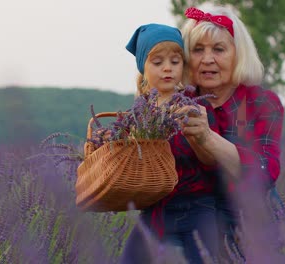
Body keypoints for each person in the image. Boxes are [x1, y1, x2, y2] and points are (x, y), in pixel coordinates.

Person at [178, 5, 285, 260]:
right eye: (197, 50)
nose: (207, 59)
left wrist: (208, 139)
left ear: (239, 55)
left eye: (219, 49)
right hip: (194, 221)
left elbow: (264, 172)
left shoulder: (262, 103)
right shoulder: (178, 101)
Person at [120, 23, 222, 263]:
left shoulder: (197, 106)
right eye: (158, 63)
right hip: (156, 209)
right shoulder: (138, 113)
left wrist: (199, 137)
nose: (168, 68)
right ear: (143, 68)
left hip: (198, 208)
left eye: (175, 61)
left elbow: (212, 160)